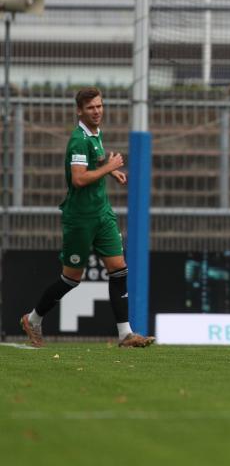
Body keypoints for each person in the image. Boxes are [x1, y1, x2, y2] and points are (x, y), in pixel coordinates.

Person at [20, 87, 154, 348]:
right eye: (91, 107)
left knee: (119, 270)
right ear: (79, 110)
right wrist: (109, 168)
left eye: (100, 106)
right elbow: (79, 179)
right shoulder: (79, 139)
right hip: (80, 218)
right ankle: (33, 319)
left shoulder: (95, 134)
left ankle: (125, 335)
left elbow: (93, 165)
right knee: (71, 278)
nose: (97, 111)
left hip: (102, 214)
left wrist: (109, 172)